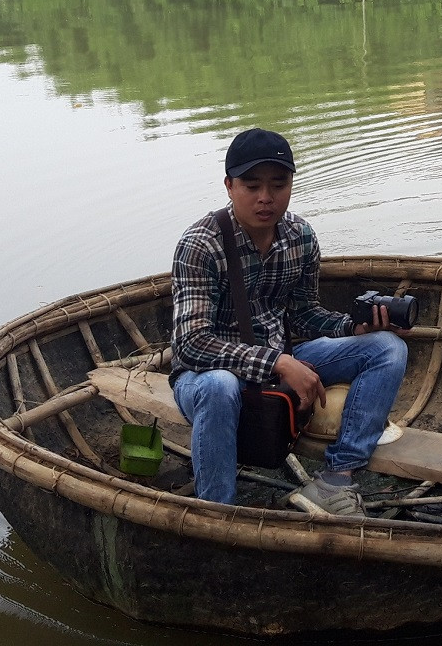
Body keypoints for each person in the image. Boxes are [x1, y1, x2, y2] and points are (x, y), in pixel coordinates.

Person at [169, 128, 407, 516]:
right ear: (229, 186)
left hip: (282, 355)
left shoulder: (301, 237)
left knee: (387, 348)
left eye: (278, 185)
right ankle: (217, 513)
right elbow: (191, 344)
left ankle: (336, 477)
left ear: (291, 184)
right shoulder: (201, 244)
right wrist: (279, 363)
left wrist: (353, 328)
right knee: (219, 386)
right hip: (205, 375)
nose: (266, 198)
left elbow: (304, 313)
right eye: (252, 186)